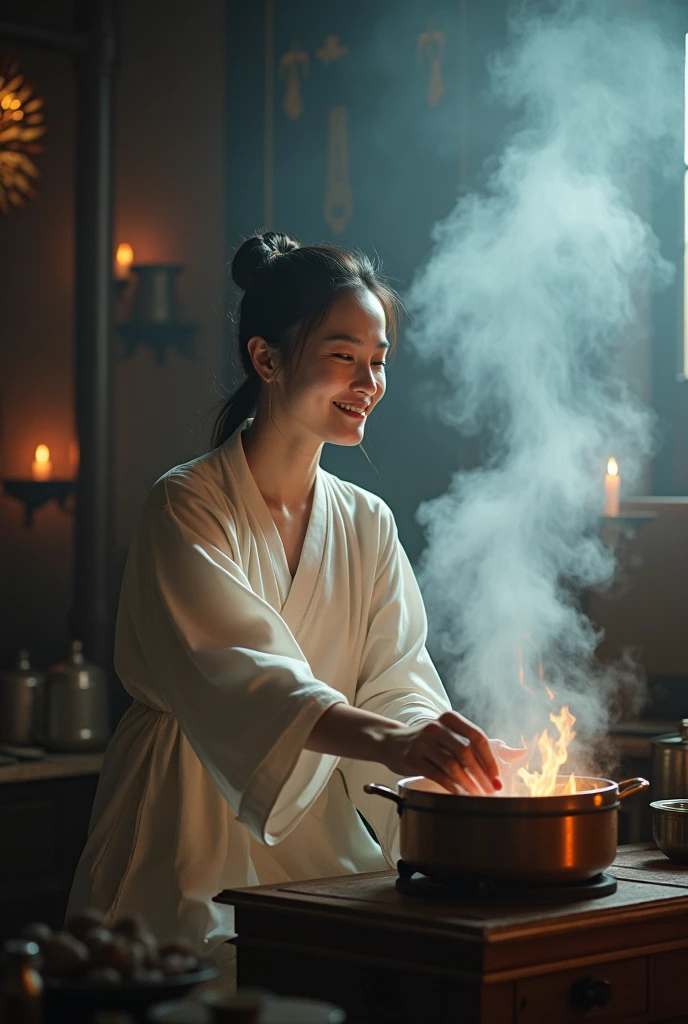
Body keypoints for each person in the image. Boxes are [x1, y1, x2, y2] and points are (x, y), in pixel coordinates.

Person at [67, 232, 523, 986]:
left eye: (379, 360)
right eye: (344, 355)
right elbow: (245, 677)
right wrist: (397, 743)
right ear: (266, 358)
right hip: (186, 815)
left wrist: (451, 763)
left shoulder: (368, 522)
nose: (370, 380)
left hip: (322, 822)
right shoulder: (185, 505)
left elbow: (397, 679)